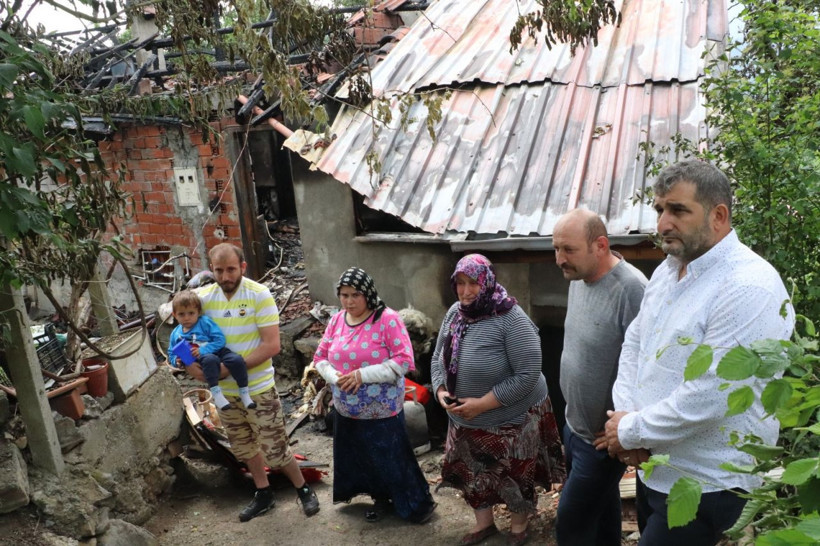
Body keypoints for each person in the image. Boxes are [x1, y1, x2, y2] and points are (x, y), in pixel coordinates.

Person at [596, 160, 794, 545]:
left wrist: (631, 430)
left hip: (708, 482)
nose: (663, 223)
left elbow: (712, 394)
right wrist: (628, 422)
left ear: (719, 215)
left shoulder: (748, 286)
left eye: (678, 210)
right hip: (654, 466)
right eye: (659, 209)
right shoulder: (669, 270)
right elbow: (637, 344)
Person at [430, 254, 565, 546]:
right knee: (474, 474)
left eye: (473, 284)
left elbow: (528, 374)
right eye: (460, 284)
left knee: (516, 475)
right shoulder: (455, 313)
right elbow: (438, 357)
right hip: (465, 418)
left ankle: (518, 529)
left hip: (512, 418)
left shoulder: (511, 319)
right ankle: (485, 524)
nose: (465, 292)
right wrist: (441, 391)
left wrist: (482, 404)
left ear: (488, 282)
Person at [188, 243, 320, 522]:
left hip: (258, 388)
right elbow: (184, 333)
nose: (225, 277)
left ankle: (303, 488)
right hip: (224, 393)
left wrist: (228, 369)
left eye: (231, 269)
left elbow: (271, 346)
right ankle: (264, 493)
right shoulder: (202, 299)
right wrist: (193, 367)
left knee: (276, 449)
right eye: (219, 270)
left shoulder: (259, 295)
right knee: (244, 447)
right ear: (211, 269)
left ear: (243, 267)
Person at [552, 209, 648, 545]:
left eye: (568, 250)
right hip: (574, 426)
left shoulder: (632, 289)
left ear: (600, 245)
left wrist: (624, 429)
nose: (560, 259)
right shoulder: (579, 278)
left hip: (602, 440)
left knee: (570, 524)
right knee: (602, 511)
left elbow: (648, 367)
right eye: (556, 249)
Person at [313, 267, 437, 524]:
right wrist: (336, 378)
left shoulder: (387, 320)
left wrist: (361, 375)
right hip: (347, 407)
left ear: (368, 294)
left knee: (390, 456)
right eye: (344, 295)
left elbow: (403, 362)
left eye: (355, 295)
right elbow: (320, 358)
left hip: (381, 408)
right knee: (362, 456)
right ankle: (380, 498)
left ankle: (412, 505)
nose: (349, 301)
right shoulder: (337, 320)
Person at [168, 290, 256, 410]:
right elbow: (172, 352)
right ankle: (216, 393)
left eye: (191, 313)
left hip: (217, 350)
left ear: (198, 312)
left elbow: (220, 339)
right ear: (174, 315)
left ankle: (244, 392)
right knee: (210, 359)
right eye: (181, 314)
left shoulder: (204, 322)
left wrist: (203, 350)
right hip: (202, 359)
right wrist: (176, 361)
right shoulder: (175, 334)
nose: (187, 318)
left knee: (237, 359)